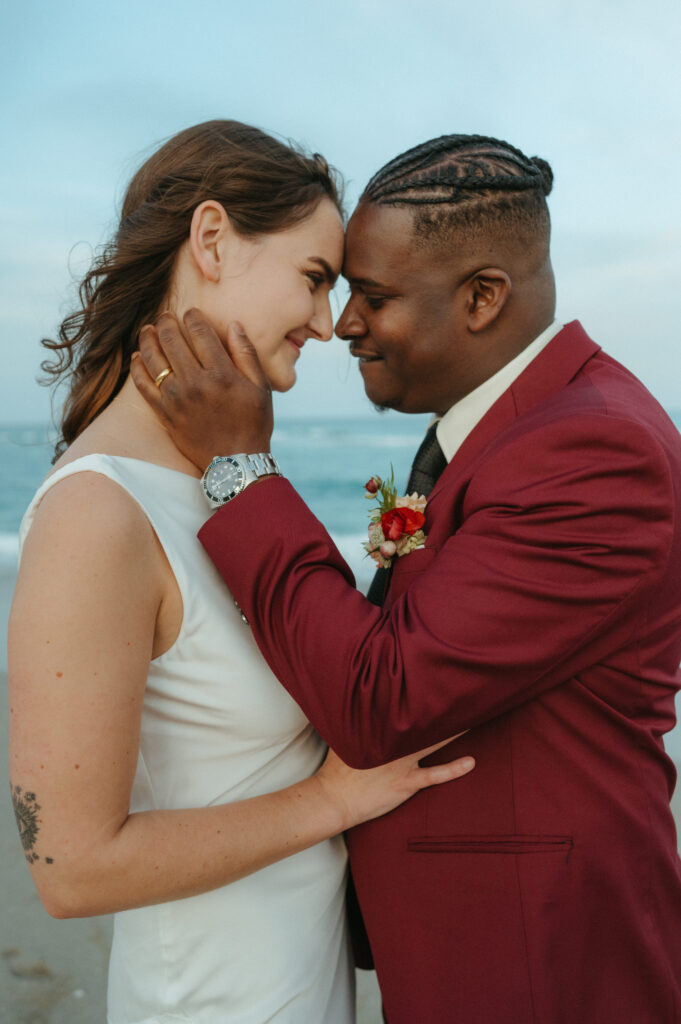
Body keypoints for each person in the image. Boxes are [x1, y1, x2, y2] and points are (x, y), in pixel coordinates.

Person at [130, 134, 681, 1024]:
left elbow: (382, 697)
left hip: (537, 965)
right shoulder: (520, 429)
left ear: (481, 297)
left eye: (373, 296)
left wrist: (238, 468)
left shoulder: (591, 450)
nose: (343, 323)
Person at [7, 120, 477, 1024]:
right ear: (213, 241)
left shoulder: (229, 480)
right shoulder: (96, 515)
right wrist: (329, 800)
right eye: (312, 279)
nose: (324, 323)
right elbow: (71, 868)